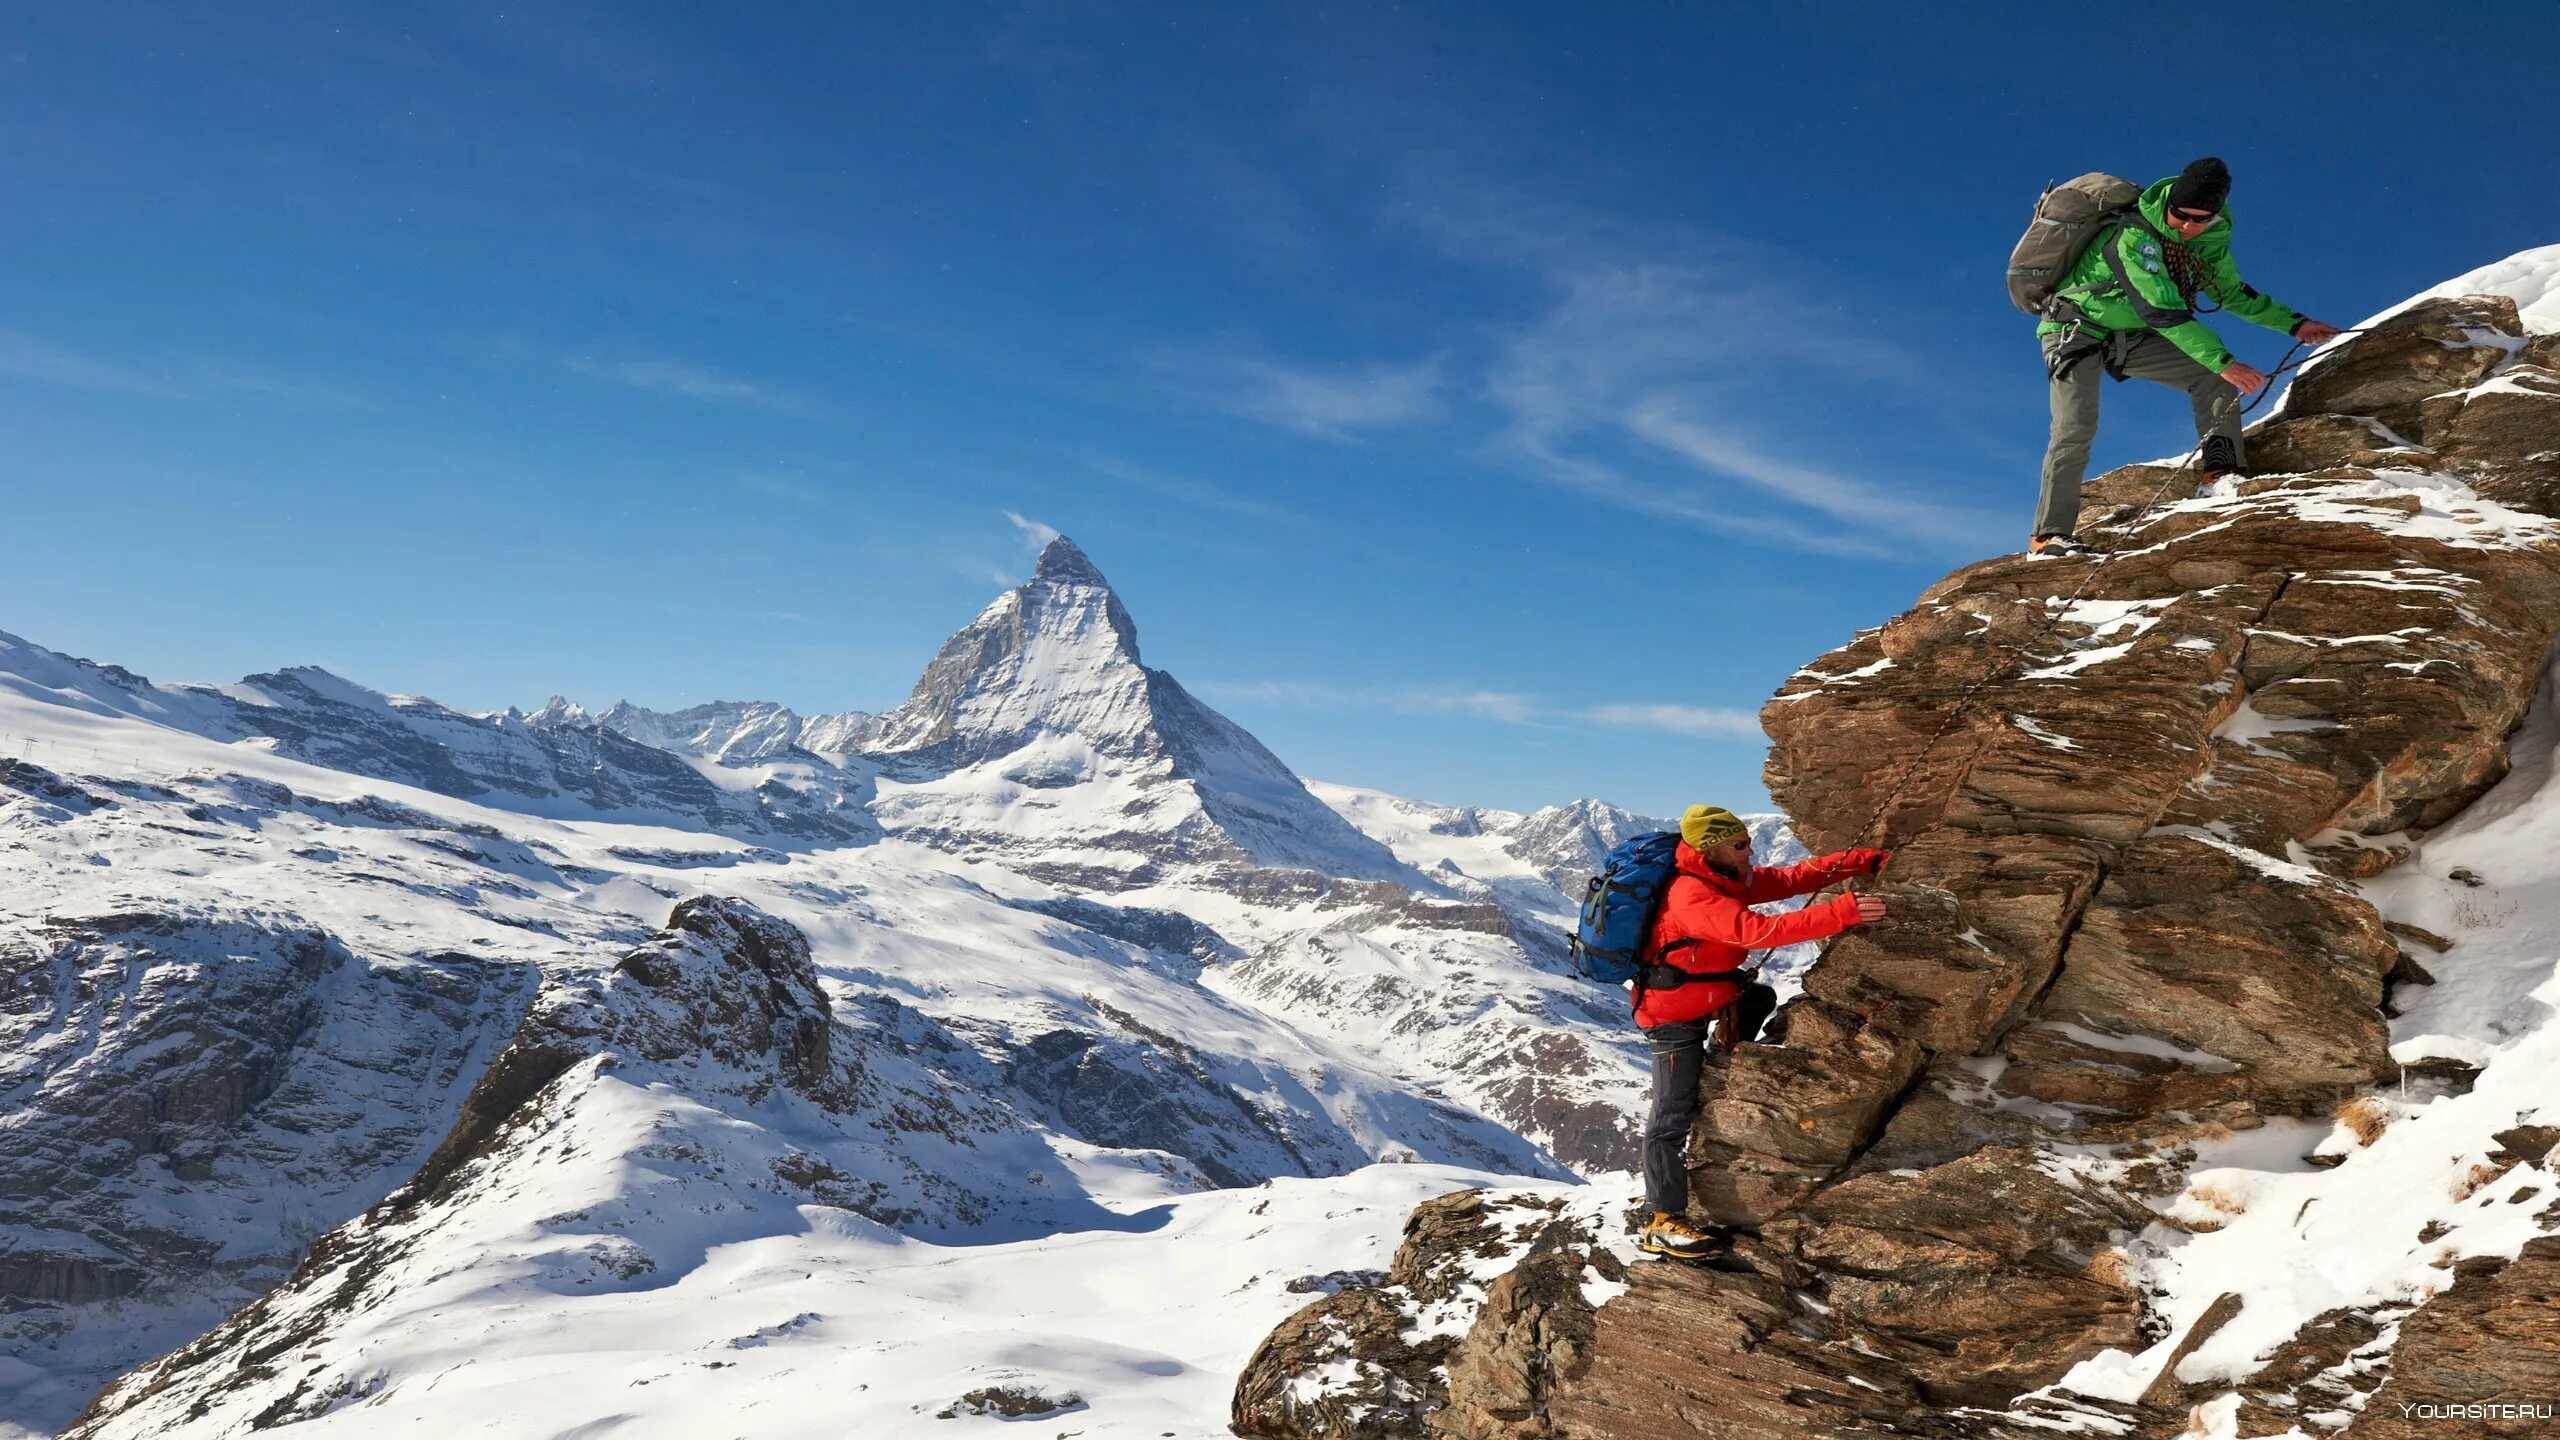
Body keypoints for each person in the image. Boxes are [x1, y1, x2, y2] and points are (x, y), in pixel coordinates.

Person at [2029, 157, 2343, 557]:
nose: (2189, 227)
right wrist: (2225, 361)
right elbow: (2162, 311)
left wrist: (2294, 324)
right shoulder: (2132, 236)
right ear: (2170, 203)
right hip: (2074, 330)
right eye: (2182, 215)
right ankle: (2048, 536)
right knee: (2075, 426)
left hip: (2131, 335)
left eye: (2201, 219)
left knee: (2212, 378)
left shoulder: (2210, 237)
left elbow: (2230, 292)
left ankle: (2220, 473)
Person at [1636, 805, 1889, 1260]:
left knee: (1759, 998)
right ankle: (1660, 1220)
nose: (1749, 849)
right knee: (1671, 1117)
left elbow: (1791, 880)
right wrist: (1843, 913)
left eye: (1747, 840)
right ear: (1709, 848)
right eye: (1739, 844)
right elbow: (1759, 932)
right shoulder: (1692, 896)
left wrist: (1855, 862)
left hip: (1710, 996)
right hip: (1672, 1018)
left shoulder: (1726, 876)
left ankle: (1721, 1053)